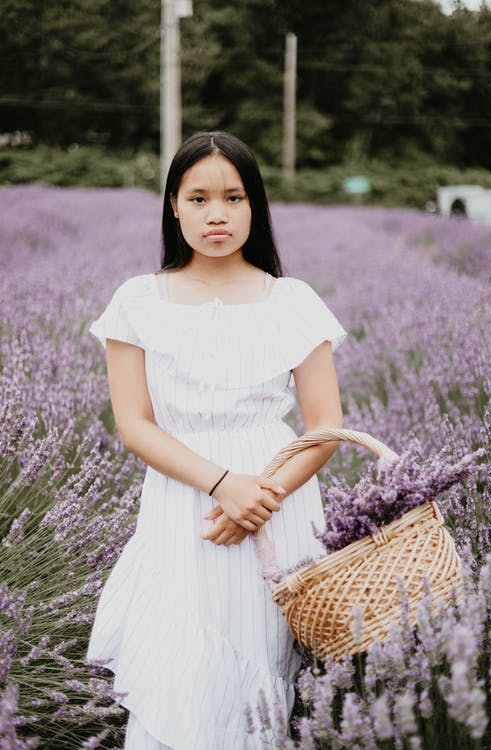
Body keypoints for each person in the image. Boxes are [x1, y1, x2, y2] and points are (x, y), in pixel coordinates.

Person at [86, 130, 348, 749]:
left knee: (257, 670)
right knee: (177, 666)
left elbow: (325, 426)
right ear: (174, 205)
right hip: (184, 503)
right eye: (198, 198)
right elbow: (135, 424)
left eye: (233, 198)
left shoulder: (293, 301)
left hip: (276, 505)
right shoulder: (138, 300)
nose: (217, 215)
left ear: (254, 206)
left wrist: (261, 496)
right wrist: (223, 484)